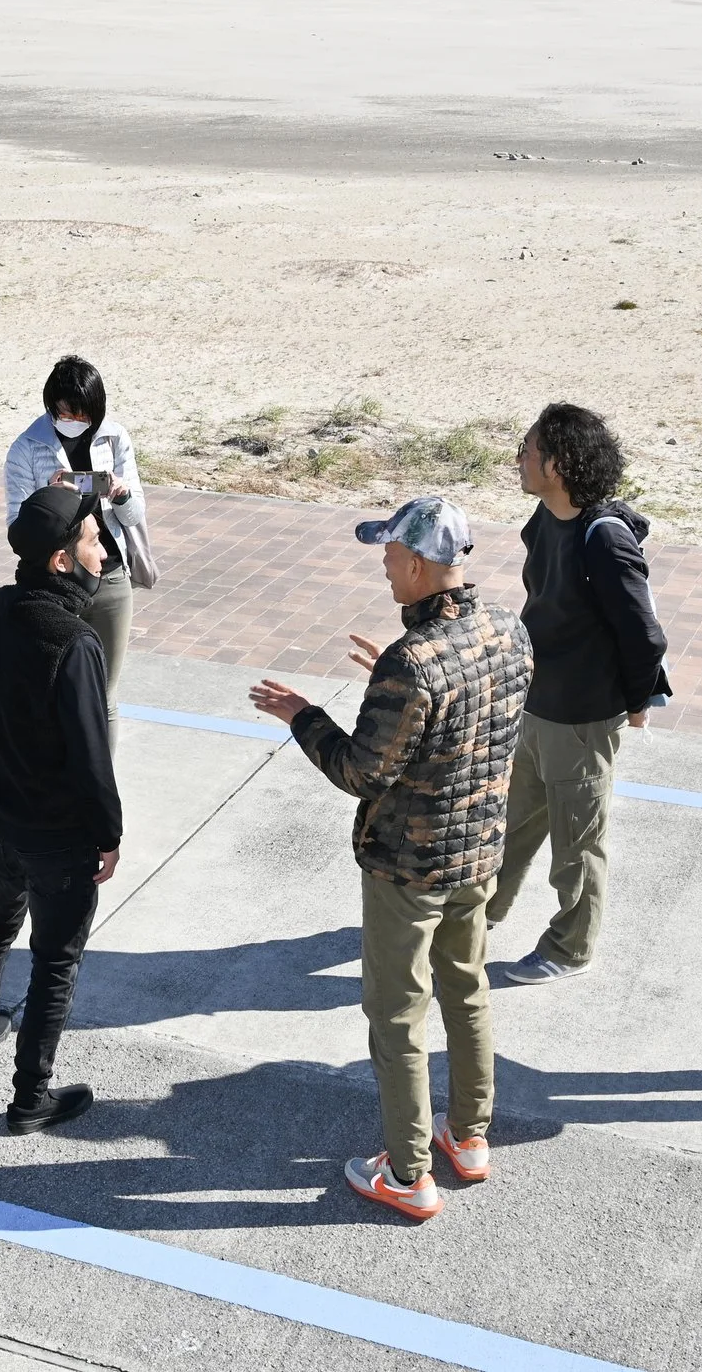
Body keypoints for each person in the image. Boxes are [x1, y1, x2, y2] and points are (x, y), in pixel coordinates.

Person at [250, 496, 530, 1222]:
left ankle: (408, 1173)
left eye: (388, 554)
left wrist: (301, 715)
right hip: (479, 854)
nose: (382, 563)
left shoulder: (414, 663)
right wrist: (394, 682)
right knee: (466, 990)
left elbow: (360, 771)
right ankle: (469, 1135)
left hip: (409, 868)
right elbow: (470, 705)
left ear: (418, 562)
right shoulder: (507, 628)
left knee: (398, 1014)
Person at [0, 485, 123, 1135]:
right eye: (92, 541)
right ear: (61, 560)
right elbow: (91, 755)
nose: (103, 551)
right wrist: (108, 833)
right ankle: (32, 1098)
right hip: (57, 838)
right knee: (54, 960)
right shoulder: (73, 641)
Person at [487, 403, 669, 985]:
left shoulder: (603, 540)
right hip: (536, 705)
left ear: (558, 464)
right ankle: (475, 915)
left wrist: (636, 700)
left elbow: (645, 634)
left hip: (583, 718)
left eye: (528, 450)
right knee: (511, 823)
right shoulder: (544, 520)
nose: (518, 459)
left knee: (577, 843)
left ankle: (570, 948)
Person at [2, 355, 148, 734]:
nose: (73, 420)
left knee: (104, 695)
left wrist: (119, 495)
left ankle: (101, 789)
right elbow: (18, 533)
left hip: (110, 579)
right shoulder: (26, 447)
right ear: (50, 407)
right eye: (63, 413)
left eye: (83, 414)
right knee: (52, 688)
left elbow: (133, 518)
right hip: (55, 584)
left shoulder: (115, 438)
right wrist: (49, 501)